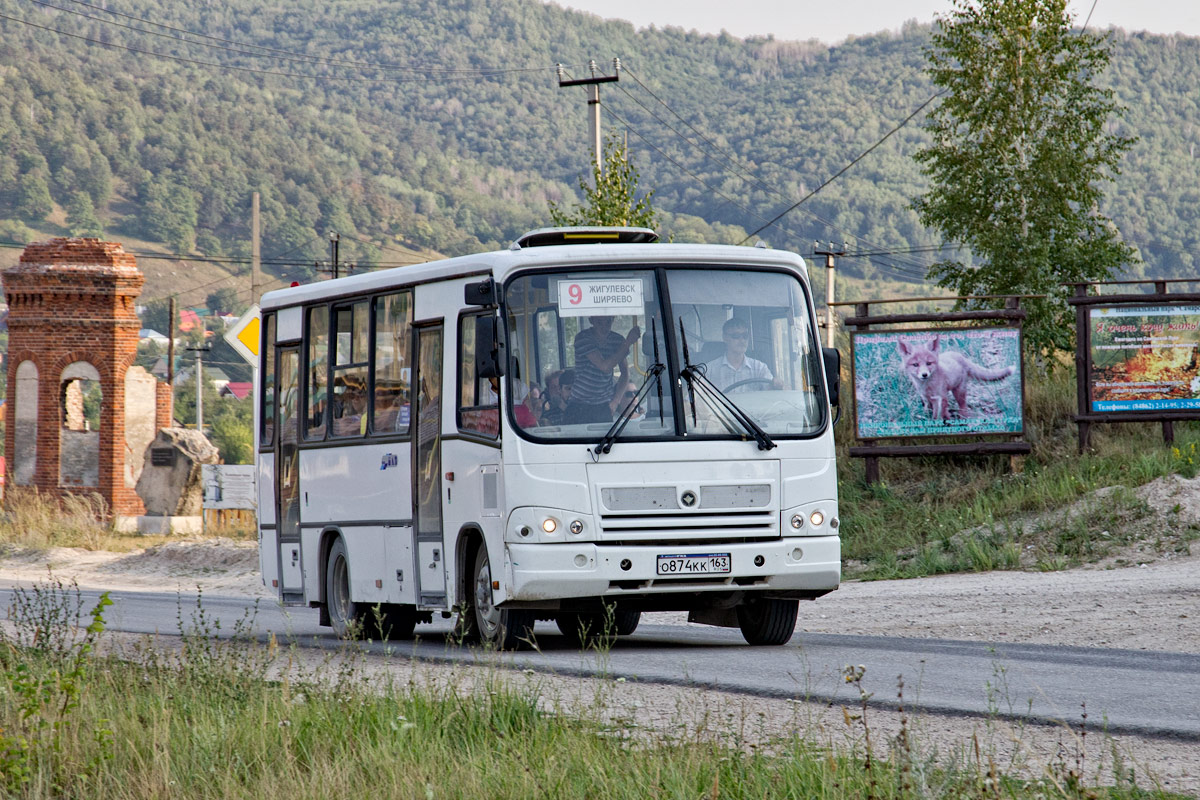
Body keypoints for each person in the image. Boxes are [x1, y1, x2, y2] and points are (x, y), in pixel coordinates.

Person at [567, 316, 640, 423]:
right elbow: (604, 367)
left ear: (613, 320)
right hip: (578, 404)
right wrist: (628, 342)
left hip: (604, 405)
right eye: (600, 322)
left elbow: (625, 373)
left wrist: (616, 401)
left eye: (608, 322)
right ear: (591, 320)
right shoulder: (583, 338)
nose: (604, 326)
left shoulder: (618, 340)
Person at [703, 318, 777, 393]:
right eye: (736, 336)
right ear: (725, 338)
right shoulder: (708, 371)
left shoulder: (760, 368)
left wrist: (777, 385)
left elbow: (771, 393)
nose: (742, 340)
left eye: (745, 336)